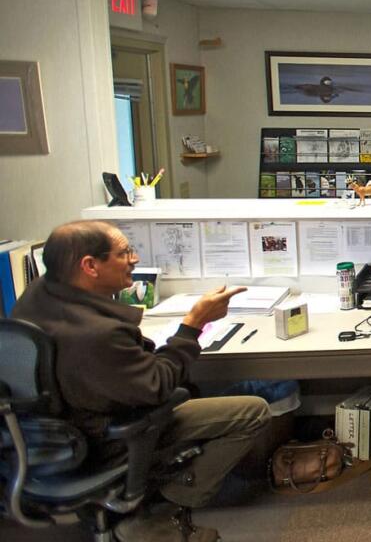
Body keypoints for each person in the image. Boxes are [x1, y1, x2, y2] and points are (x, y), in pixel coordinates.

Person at [12, 220, 270, 542]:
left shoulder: (39, 294)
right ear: (90, 266)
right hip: (106, 438)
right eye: (124, 253)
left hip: (46, 438)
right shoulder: (98, 335)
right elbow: (158, 386)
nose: (134, 259)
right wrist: (193, 324)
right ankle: (157, 511)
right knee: (252, 411)